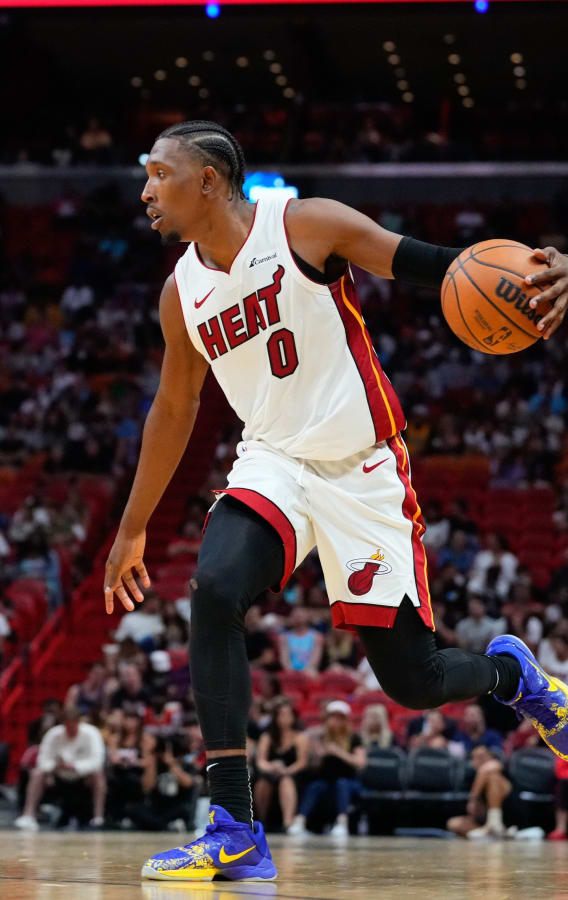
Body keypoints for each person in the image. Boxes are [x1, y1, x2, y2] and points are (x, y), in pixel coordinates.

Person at [102, 120, 568, 882]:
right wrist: (132, 529)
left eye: (159, 173)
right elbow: (174, 408)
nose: (146, 190)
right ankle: (233, 826)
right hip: (274, 462)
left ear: (209, 180)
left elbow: (442, 268)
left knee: (414, 682)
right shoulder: (180, 293)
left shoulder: (306, 226)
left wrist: (544, 273)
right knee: (214, 589)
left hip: (362, 469)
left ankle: (515, 680)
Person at [14, 707, 106, 831]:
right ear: (63, 723)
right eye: (67, 725)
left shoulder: (91, 733)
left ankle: (98, 818)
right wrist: (55, 766)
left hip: (83, 776)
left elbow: (97, 761)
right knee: (37, 773)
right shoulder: (53, 734)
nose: (70, 728)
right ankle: (28, 815)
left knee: (98, 775)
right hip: (57, 776)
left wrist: (76, 766)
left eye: (73, 725)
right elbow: (42, 761)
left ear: (79, 722)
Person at [288, 701, 365, 838]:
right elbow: (314, 768)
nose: (335, 721)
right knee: (314, 786)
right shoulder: (320, 737)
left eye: (339, 717)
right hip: (327, 781)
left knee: (341, 784)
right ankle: (299, 821)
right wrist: (318, 755)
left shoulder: (354, 738)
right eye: (332, 717)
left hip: (349, 782)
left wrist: (338, 752)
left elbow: (360, 762)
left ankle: (342, 823)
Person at [254, 699, 308, 831]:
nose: (285, 718)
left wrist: (287, 770)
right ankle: (262, 820)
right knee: (263, 783)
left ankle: (287, 822)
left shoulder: (300, 737)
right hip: (270, 772)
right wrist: (271, 767)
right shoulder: (267, 736)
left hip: (292, 773)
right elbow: (260, 761)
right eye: (281, 714)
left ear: (294, 717)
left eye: (288, 714)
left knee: (286, 781)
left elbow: (302, 762)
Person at [446, 744, 511, 839]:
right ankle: (492, 833)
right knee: (453, 823)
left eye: (482, 756)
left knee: (493, 778)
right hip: (483, 820)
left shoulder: (497, 767)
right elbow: (472, 812)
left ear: (491, 757)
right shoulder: (469, 775)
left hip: (506, 816)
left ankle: (495, 822)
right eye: (476, 758)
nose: (480, 760)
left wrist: (473, 798)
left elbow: (490, 766)